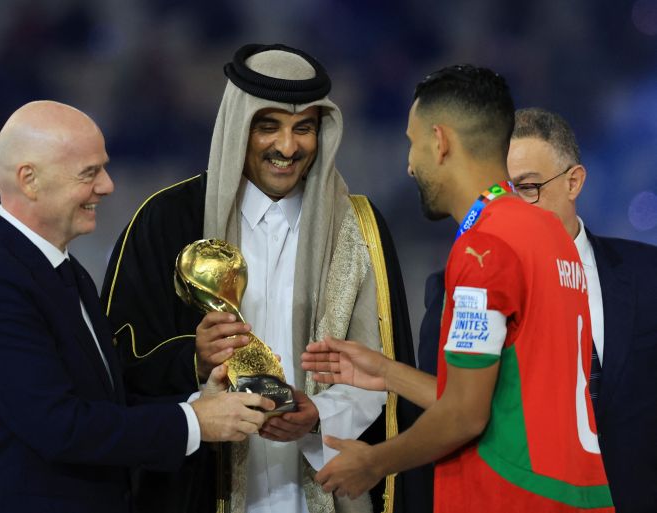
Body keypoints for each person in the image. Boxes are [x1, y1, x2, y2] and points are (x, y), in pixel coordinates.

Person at [101, 44, 429, 513]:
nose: (287, 147)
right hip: (200, 490)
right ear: (239, 126)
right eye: (268, 126)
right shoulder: (167, 220)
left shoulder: (357, 228)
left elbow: (382, 370)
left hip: (321, 490)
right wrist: (195, 361)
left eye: (304, 128)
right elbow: (117, 363)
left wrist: (319, 414)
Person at [0, 100, 273, 513]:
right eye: (89, 173)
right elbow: (60, 427)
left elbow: (104, 406)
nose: (108, 186)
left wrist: (198, 396)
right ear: (29, 180)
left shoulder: (64, 272)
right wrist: (194, 423)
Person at [302, 65, 614, 512]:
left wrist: (374, 462)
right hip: (574, 495)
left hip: (509, 499)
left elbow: (466, 415)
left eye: (412, 143)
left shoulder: (485, 247)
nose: (410, 164)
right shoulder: (549, 234)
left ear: (440, 141)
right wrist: (387, 373)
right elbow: (504, 398)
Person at [505, 107, 657, 513]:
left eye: (529, 187)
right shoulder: (465, 290)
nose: (515, 205)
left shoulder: (649, 275)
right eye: (504, 192)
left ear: (574, 182)